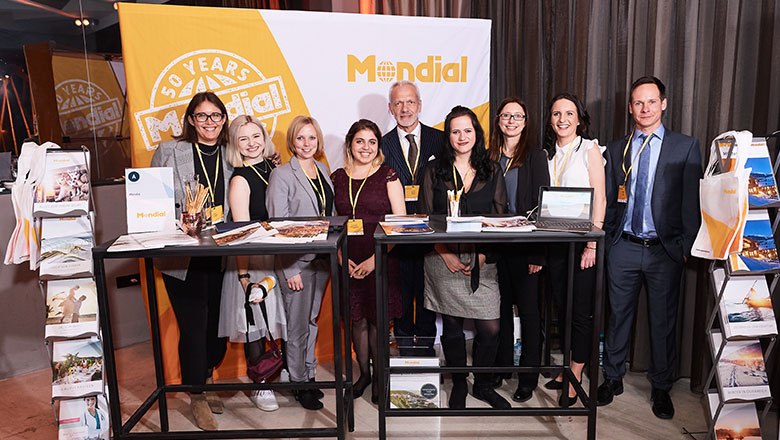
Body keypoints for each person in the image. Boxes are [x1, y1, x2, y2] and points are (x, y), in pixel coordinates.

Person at [598, 76, 701, 419]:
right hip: (623, 247)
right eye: (638, 103)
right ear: (630, 107)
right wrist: (609, 240)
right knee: (617, 317)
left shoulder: (684, 146)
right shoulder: (616, 149)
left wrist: (686, 245)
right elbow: (611, 199)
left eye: (651, 102)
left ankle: (661, 387)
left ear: (664, 104)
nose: (644, 109)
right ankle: (612, 377)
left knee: (663, 321)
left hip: (663, 250)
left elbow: (691, 201)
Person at [150, 91, 232, 431]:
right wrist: (177, 220)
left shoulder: (234, 152)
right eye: (202, 116)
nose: (209, 122)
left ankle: (208, 378)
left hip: (223, 252)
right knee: (194, 325)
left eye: (215, 116)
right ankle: (195, 393)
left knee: (218, 327)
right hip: (182, 255)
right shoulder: (169, 151)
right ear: (190, 120)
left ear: (224, 120)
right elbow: (152, 201)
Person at [419, 105, 509, 409]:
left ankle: (483, 385)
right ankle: (458, 383)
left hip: (481, 260)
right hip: (442, 258)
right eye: (455, 131)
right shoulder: (433, 170)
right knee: (453, 326)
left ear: (476, 133)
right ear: (448, 136)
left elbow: (501, 217)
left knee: (490, 327)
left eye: (467, 130)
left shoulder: (492, 169)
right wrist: (444, 254)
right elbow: (426, 219)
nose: (462, 136)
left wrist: (484, 255)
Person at [332, 119, 406, 403]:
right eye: (360, 141)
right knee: (357, 321)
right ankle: (364, 373)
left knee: (378, 321)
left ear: (379, 146)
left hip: (381, 259)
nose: (366, 147)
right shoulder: (337, 177)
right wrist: (341, 257)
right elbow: (331, 225)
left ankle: (379, 378)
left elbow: (400, 226)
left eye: (372, 142)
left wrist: (376, 260)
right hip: (347, 260)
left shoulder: (388, 175)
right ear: (350, 143)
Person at [218, 115, 287, 412]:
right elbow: (241, 232)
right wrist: (244, 274)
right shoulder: (239, 179)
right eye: (243, 138)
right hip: (254, 258)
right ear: (235, 144)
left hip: (279, 254)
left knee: (272, 320)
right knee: (254, 322)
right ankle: (260, 383)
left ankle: (274, 370)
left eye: (255, 135)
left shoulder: (275, 167)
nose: (251, 143)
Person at [543, 93, 606, 407]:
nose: (562, 119)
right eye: (556, 113)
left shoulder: (589, 149)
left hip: (583, 243)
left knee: (580, 314)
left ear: (579, 118)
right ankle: (567, 365)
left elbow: (601, 198)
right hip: (554, 242)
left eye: (569, 113)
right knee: (564, 310)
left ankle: (576, 374)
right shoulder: (548, 154)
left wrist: (592, 243)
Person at [266, 115, 333, 410]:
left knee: (310, 320)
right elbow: (277, 226)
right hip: (297, 262)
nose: (307, 143)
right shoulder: (282, 175)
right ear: (292, 141)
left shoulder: (321, 169)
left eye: (312, 138)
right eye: (301, 138)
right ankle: (298, 382)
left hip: (322, 260)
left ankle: (308, 373)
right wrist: (289, 267)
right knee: (296, 327)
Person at [487, 98, 550, 402]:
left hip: (527, 248)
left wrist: (538, 253)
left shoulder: (536, 156)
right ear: (498, 120)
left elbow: (542, 205)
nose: (511, 120)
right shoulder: (488, 156)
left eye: (518, 116)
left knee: (528, 312)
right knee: (500, 310)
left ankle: (528, 377)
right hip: (496, 247)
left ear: (526, 121)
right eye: (506, 115)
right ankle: (501, 368)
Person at [381, 81, 445, 357]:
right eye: (398, 103)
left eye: (410, 102)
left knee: (429, 293)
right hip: (398, 233)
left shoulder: (441, 140)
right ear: (390, 108)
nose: (404, 108)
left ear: (419, 104)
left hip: (433, 232)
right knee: (402, 294)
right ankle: (406, 349)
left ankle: (427, 350)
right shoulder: (380, 145)